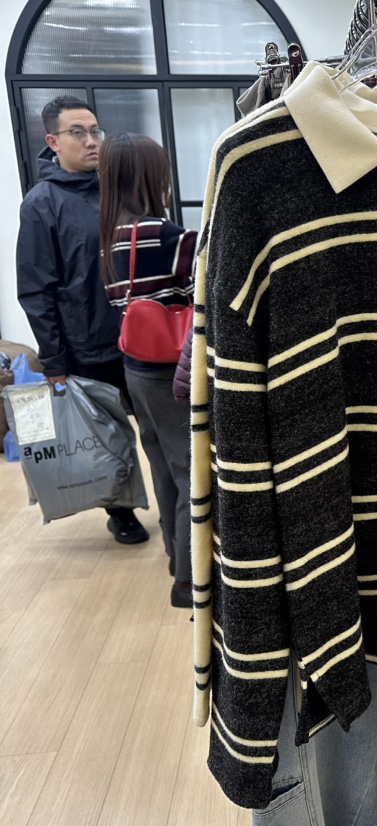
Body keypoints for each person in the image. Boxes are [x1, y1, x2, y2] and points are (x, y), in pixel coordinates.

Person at [16, 95, 149, 545]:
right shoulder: (41, 203)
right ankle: (121, 511)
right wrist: (54, 361)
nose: (92, 141)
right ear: (53, 141)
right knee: (107, 437)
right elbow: (36, 289)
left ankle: (180, 507)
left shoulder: (117, 188)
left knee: (159, 429)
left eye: (95, 131)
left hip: (142, 335)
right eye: (78, 133)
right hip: (87, 344)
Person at [98, 132, 196, 609]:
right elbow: (204, 290)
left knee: (163, 466)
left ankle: (177, 560)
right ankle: (190, 581)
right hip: (170, 369)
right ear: (149, 176)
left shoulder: (109, 238)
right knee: (192, 472)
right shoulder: (167, 234)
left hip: (135, 367)